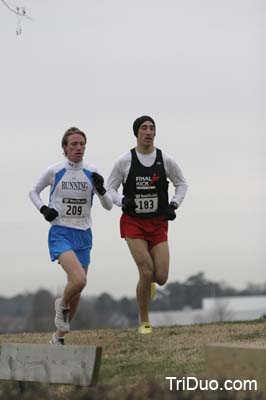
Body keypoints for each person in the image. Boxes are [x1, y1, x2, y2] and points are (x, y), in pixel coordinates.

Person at [29, 126, 112, 345]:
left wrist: (102, 190)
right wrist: (44, 210)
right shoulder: (55, 171)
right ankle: (62, 304)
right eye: (73, 144)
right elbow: (33, 192)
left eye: (82, 144)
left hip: (83, 234)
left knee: (77, 288)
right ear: (64, 148)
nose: (79, 148)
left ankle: (58, 337)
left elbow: (108, 206)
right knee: (79, 279)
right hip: (61, 232)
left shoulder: (92, 171)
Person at [107, 116, 188, 334]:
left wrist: (174, 204)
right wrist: (122, 201)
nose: (148, 132)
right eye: (144, 128)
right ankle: (144, 321)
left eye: (152, 128)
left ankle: (149, 284)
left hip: (158, 222)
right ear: (136, 133)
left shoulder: (165, 159)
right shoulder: (124, 161)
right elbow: (110, 188)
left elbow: (182, 184)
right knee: (145, 270)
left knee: (160, 277)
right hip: (134, 223)